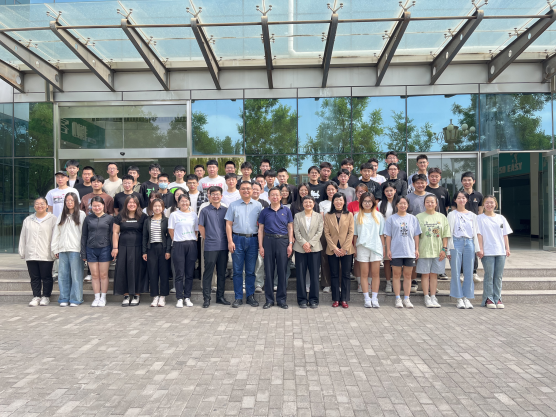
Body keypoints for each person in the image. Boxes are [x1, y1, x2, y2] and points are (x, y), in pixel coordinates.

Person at [225, 181, 263, 308]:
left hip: (253, 240)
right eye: (243, 189)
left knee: (251, 271)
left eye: (248, 188)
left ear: (252, 190)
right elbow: (228, 224)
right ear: (239, 190)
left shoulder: (258, 205)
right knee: (237, 271)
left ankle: (250, 296)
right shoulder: (233, 205)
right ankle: (238, 297)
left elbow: (261, 226)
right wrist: (230, 241)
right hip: (237, 239)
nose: (246, 191)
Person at [258, 187, 294, 309]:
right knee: (269, 271)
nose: (275, 197)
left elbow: (290, 227)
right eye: (272, 195)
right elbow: (260, 230)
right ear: (268, 197)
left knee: (282, 271)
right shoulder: (264, 211)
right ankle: (269, 300)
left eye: (277, 195)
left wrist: (290, 244)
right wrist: (261, 246)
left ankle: (281, 300)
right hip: (268, 241)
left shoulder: (287, 210)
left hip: (283, 241)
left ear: (280, 197)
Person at [19, 197, 57, 307]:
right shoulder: (28, 220)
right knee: (34, 277)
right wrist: (22, 251)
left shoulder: (53, 219)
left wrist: (54, 250)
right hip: (31, 253)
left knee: (46, 276)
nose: (39, 206)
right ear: (34, 206)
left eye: (42, 203)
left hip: (46, 253)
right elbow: (23, 236)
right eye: (37, 203)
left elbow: (55, 237)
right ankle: (36, 296)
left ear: (47, 206)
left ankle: (46, 296)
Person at [384, 196, 421, 309]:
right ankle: (397, 298)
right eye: (400, 203)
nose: (402, 205)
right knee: (396, 275)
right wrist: (388, 250)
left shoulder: (413, 219)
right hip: (396, 251)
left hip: (409, 251)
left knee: (408, 275)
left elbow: (416, 235)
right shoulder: (391, 219)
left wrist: (416, 249)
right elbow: (388, 236)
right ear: (396, 205)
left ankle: (406, 298)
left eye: (405, 203)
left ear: (408, 205)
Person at [447, 191, 481, 309]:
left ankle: (467, 297)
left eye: (463, 198)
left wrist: (478, 249)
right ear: (455, 200)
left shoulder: (473, 215)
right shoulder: (451, 214)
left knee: (469, 271)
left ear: (467, 200)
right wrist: (448, 250)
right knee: (456, 271)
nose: (461, 200)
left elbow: (476, 233)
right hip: (456, 242)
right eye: (459, 198)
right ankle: (458, 298)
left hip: (469, 243)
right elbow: (448, 232)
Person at [51, 192, 86, 307]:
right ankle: (64, 298)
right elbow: (56, 233)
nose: (69, 202)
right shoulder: (62, 215)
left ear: (76, 202)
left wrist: (83, 250)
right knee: (63, 276)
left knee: (76, 275)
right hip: (62, 249)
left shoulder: (81, 214)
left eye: (72, 200)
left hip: (76, 249)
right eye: (67, 200)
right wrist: (55, 248)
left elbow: (83, 234)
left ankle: (76, 299)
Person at [477, 195, 512, 309]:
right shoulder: (480, 218)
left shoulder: (501, 218)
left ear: (495, 204)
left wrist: (507, 248)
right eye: (487, 203)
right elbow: (479, 235)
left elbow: (505, 234)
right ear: (483, 205)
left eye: (491, 202)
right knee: (489, 276)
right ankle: (488, 298)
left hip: (500, 251)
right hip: (487, 251)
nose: (489, 205)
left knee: (498, 276)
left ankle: (498, 298)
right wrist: (480, 249)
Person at [416, 195, 450, 308]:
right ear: (424, 204)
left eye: (432, 202)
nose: (430, 204)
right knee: (425, 274)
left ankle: (433, 296)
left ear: (436, 204)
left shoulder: (442, 217)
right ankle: (426, 297)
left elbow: (445, 235)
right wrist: (416, 249)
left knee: (434, 275)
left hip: (438, 251)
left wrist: (444, 249)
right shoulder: (418, 217)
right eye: (427, 202)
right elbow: (416, 235)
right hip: (424, 250)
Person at [198, 186, 230, 308]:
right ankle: (206, 298)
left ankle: (220, 297)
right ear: (209, 196)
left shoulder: (226, 210)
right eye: (213, 194)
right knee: (208, 272)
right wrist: (209, 238)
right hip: (210, 246)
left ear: (221, 196)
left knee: (222, 272)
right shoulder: (205, 210)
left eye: (218, 194)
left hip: (224, 246)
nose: (215, 196)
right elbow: (201, 226)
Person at [113, 195, 147, 306]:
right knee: (123, 270)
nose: (132, 204)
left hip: (138, 247)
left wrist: (145, 250)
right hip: (123, 247)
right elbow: (115, 232)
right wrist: (115, 248)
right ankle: (126, 295)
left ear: (137, 204)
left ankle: (137, 295)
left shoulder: (143, 217)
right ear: (126, 204)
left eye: (134, 202)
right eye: (129, 202)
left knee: (138, 270)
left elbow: (146, 234)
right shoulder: (120, 216)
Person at [81, 196, 114, 307]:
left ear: (103, 206)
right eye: (94, 206)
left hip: (105, 248)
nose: (97, 208)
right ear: (91, 207)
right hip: (91, 249)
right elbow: (84, 236)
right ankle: (96, 297)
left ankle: (103, 297)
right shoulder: (88, 219)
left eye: (98, 205)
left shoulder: (109, 218)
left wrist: (114, 249)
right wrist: (83, 252)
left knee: (103, 275)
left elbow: (113, 235)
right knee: (94, 275)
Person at [353, 193, 385, 308]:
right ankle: (366, 298)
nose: (367, 203)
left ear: (373, 202)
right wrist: (354, 248)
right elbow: (355, 234)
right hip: (362, 247)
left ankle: (375, 298)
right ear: (361, 202)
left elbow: (381, 234)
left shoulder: (379, 215)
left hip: (376, 247)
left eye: (369, 201)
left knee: (375, 274)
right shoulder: (357, 216)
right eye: (365, 201)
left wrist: (383, 248)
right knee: (364, 274)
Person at [324, 193, 354, 308]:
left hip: (346, 249)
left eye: (341, 200)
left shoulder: (349, 215)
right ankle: (336, 298)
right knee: (334, 274)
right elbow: (326, 233)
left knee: (346, 274)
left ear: (344, 201)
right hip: (333, 249)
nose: (338, 202)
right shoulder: (328, 215)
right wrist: (334, 248)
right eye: (336, 200)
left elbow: (351, 232)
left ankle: (344, 299)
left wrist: (344, 248)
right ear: (333, 202)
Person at [169, 194, 199, 308]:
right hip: (178, 244)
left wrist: (191, 239)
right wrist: (177, 240)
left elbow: (196, 231)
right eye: (182, 201)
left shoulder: (194, 215)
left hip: (191, 244)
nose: (184, 203)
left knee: (189, 273)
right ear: (178, 203)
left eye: (186, 201)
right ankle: (179, 298)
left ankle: (187, 297)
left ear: (189, 202)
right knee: (179, 273)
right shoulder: (174, 215)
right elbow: (171, 230)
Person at [293, 196, 323, 309]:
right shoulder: (297, 216)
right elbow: (296, 231)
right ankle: (302, 300)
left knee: (314, 275)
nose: (308, 204)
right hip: (300, 249)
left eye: (310, 202)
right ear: (302, 204)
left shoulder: (319, 216)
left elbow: (319, 232)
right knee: (300, 275)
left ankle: (314, 299)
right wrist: (304, 244)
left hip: (314, 248)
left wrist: (310, 244)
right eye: (306, 202)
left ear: (314, 204)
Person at [453, 171, 484, 283]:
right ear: (462, 182)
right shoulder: (458, 194)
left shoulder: (478, 195)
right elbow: (454, 210)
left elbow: (480, 211)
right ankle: (461, 272)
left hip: (473, 226)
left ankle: (474, 272)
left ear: (473, 181)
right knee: (461, 250)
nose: (467, 182)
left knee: (474, 248)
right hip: (461, 227)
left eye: (469, 180)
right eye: (464, 180)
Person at [142, 198, 172, 308]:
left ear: (163, 208)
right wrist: (144, 251)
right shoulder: (147, 220)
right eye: (155, 206)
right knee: (153, 273)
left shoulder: (166, 220)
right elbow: (144, 237)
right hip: (151, 249)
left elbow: (169, 237)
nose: (157, 208)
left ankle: (163, 296)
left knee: (163, 273)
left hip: (163, 248)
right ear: (151, 208)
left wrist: (168, 250)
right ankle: (155, 296)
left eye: (159, 206)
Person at [378, 183, 399, 294]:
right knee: (387, 260)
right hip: (386, 235)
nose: (389, 193)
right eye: (387, 191)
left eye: (391, 190)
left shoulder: (399, 202)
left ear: (395, 190)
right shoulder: (381, 204)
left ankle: (397, 282)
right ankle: (388, 282)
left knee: (397, 261)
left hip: (398, 236)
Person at [318, 182, 338, 294]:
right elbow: (322, 219)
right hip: (325, 233)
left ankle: (338, 284)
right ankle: (326, 284)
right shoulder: (322, 203)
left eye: (333, 189)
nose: (331, 191)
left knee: (337, 259)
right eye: (328, 189)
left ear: (336, 190)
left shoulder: (340, 201)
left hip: (338, 234)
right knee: (324, 258)